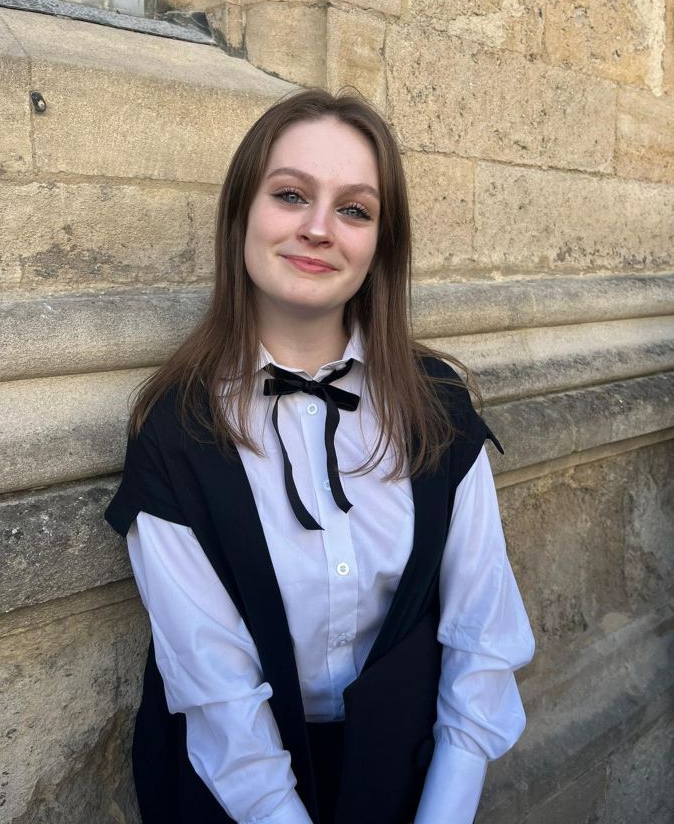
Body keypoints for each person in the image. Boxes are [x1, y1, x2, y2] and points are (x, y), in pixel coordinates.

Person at [105, 88, 535, 824]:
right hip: (231, 792)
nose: (317, 229)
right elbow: (216, 690)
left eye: (355, 210)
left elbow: (480, 632)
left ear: (380, 245)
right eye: (291, 195)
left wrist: (443, 812)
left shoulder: (437, 410)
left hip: (405, 782)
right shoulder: (175, 430)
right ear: (242, 213)